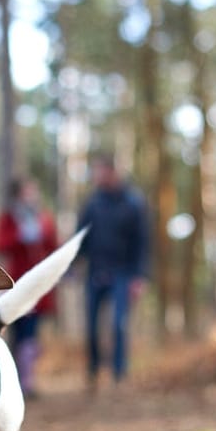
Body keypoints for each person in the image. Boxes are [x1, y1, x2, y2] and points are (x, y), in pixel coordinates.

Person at [75, 153, 149, 394]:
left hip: (123, 273)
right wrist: (73, 265)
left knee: (118, 325)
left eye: (100, 172)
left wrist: (139, 276)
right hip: (95, 272)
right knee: (91, 327)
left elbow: (142, 242)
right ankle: (94, 371)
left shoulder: (133, 202)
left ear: (112, 172)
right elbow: (80, 238)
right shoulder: (92, 204)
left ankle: (119, 374)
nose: (96, 177)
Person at [0, 178, 59, 398]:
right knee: (15, 332)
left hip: (37, 284)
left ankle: (27, 381)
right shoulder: (9, 218)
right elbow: (1, 245)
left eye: (34, 191)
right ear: (18, 195)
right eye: (28, 191)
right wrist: (20, 236)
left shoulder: (43, 217)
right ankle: (11, 380)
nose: (33, 195)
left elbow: (53, 245)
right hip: (15, 283)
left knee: (31, 332)